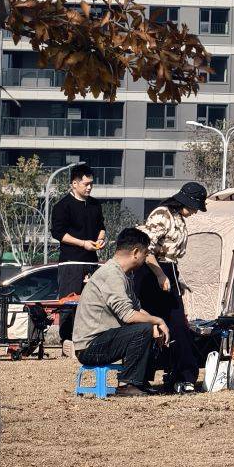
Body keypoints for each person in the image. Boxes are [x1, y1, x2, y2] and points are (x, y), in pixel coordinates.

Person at [70, 228, 168, 396]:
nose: (145, 259)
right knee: (144, 329)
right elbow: (128, 315)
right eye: (145, 254)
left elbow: (136, 309)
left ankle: (140, 382)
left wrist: (156, 325)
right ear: (135, 253)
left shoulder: (123, 275)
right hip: (89, 348)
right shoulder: (111, 274)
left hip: (103, 340)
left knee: (149, 327)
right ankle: (128, 384)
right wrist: (158, 321)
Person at [137, 180, 209, 392]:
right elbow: (146, 249)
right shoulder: (162, 215)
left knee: (178, 326)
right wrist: (160, 275)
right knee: (151, 324)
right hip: (152, 271)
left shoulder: (179, 219)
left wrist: (176, 279)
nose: (195, 212)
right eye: (195, 207)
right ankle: (140, 376)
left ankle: (182, 375)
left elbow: (172, 255)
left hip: (170, 270)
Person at [50, 164, 106, 263]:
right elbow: (58, 233)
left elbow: (101, 227)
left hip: (92, 260)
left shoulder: (95, 204)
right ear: (75, 184)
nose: (89, 187)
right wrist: (83, 243)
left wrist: (100, 239)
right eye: (86, 184)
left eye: (91, 184)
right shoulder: (62, 206)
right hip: (70, 262)